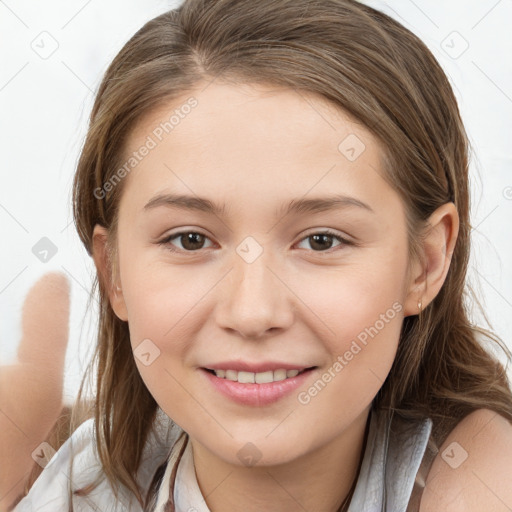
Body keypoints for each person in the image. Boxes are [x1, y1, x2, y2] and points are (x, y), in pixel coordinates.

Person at [6, 0, 512, 510]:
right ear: (113, 272)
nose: (252, 313)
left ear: (425, 264)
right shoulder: (66, 490)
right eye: (190, 240)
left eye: (321, 240)